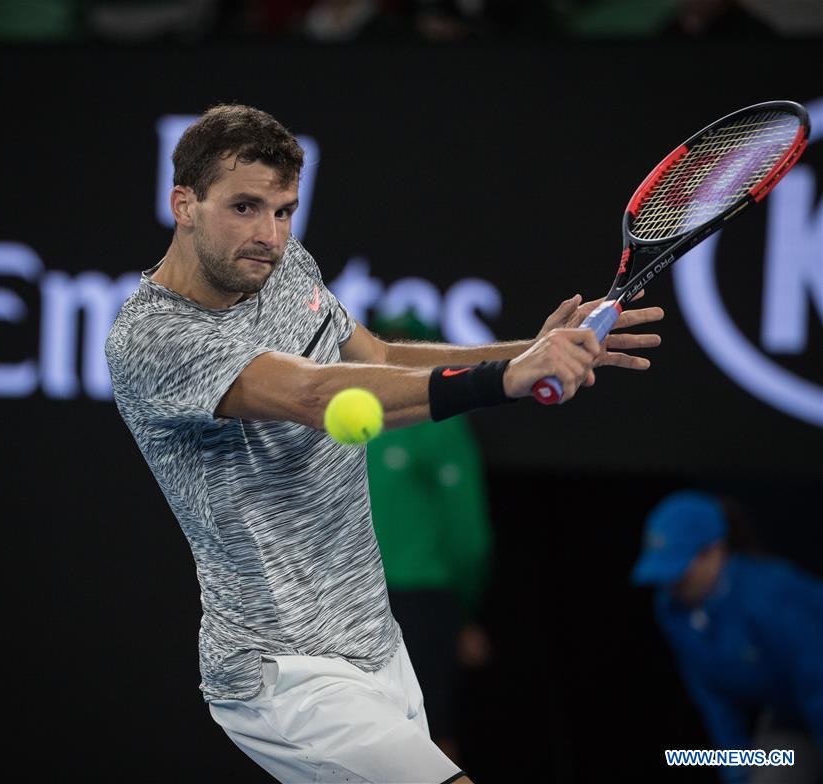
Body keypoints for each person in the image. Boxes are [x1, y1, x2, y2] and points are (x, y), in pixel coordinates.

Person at [104, 102, 663, 784]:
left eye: (284, 211)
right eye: (244, 208)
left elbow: (380, 357)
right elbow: (313, 395)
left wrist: (526, 351)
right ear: (183, 204)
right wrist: (505, 380)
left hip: (378, 646)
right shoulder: (153, 337)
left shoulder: (282, 266)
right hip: (284, 676)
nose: (269, 235)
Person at [366, 308, 495, 767]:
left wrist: (460, 616)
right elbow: (470, 539)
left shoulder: (437, 424)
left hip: (409, 603)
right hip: (379, 605)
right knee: (383, 743)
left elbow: (469, 537)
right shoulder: (359, 420)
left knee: (425, 743)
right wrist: (463, 614)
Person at [631, 490, 823, 784]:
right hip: (789, 719)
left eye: (680, 570)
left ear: (714, 552)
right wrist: (736, 771)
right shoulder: (671, 610)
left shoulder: (773, 596)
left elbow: (816, 683)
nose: (671, 584)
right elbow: (712, 698)